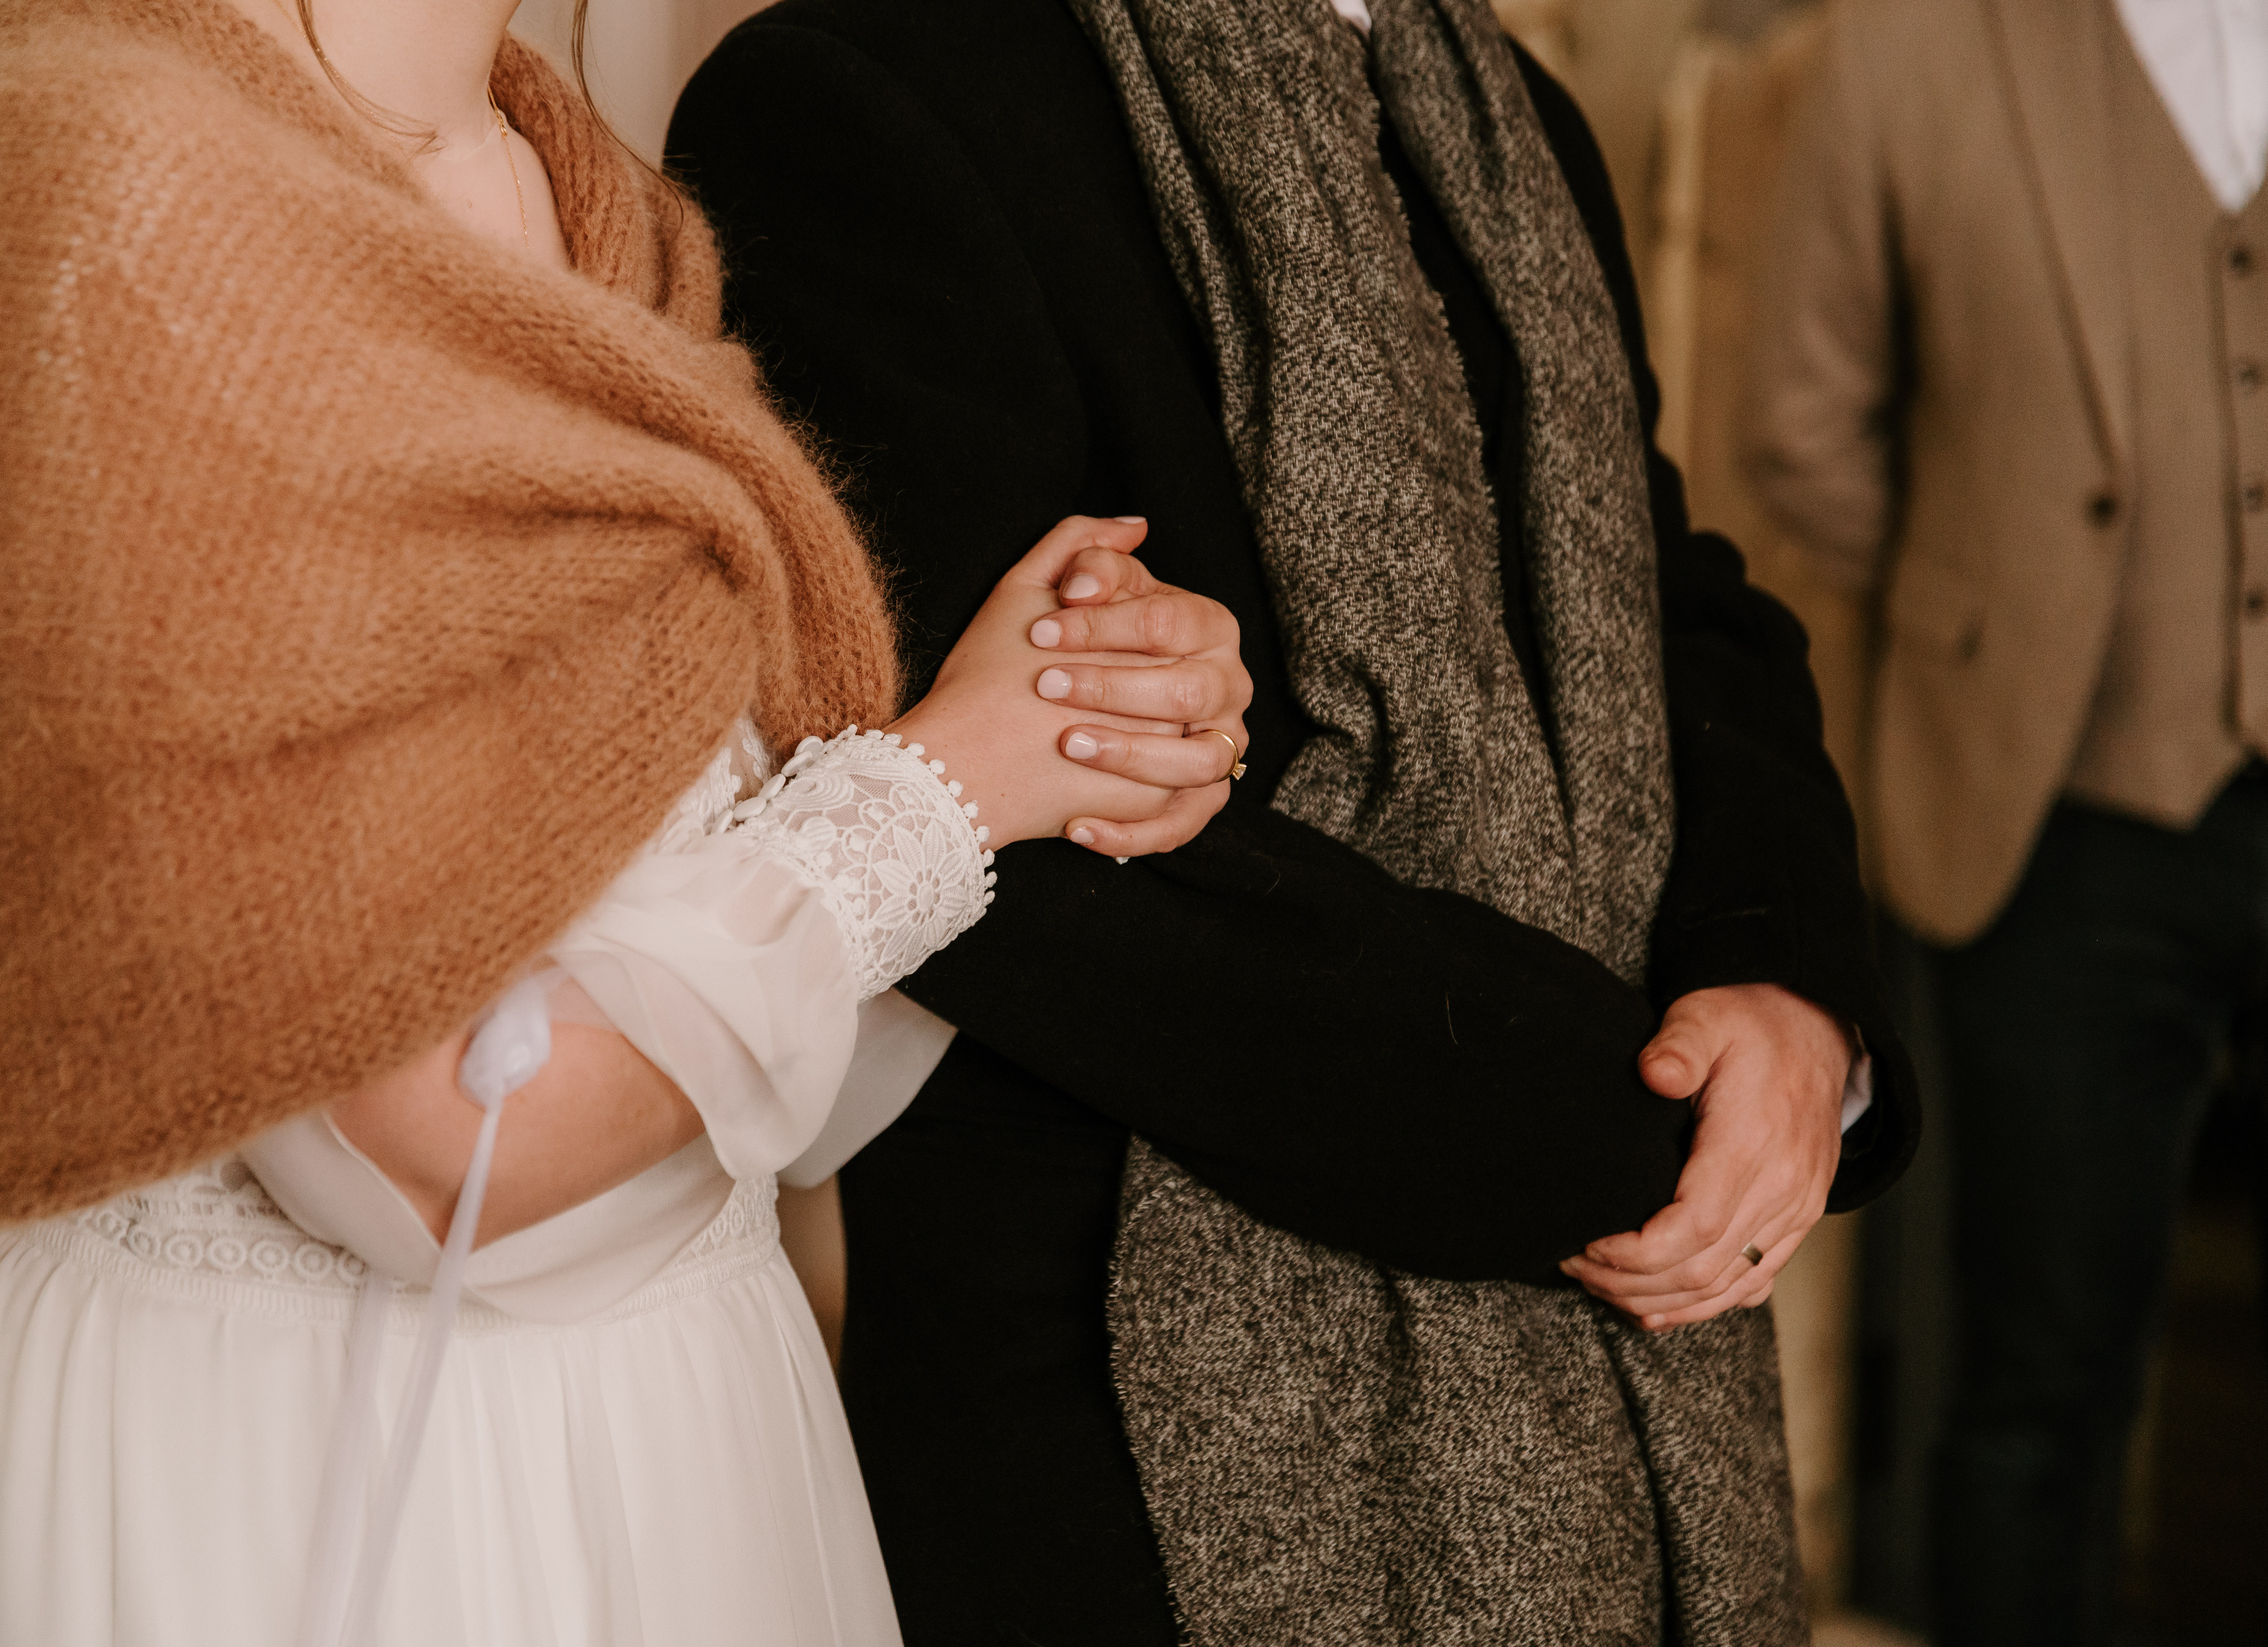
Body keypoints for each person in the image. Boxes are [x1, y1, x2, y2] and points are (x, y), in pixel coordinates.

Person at [0, 0, 1252, 1642]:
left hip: (677, 1430)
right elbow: (442, 1153)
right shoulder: (100, 173)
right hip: (265, 1467)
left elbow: (736, 1050)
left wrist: (1078, 696)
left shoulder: (602, 204)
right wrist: (947, 794)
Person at [667, 0, 1922, 1641]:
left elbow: (1659, 594)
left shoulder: (1508, 109)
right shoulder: (861, 85)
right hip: (1122, 1398)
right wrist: (1628, 1126)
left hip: (1624, 1329)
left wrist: (1788, 994)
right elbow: (986, 846)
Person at [1742, 0, 2268, 1641]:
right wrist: (1998, 602)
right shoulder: (1905, 48)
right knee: (2040, 1379)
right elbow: (1797, 425)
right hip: (2062, 820)